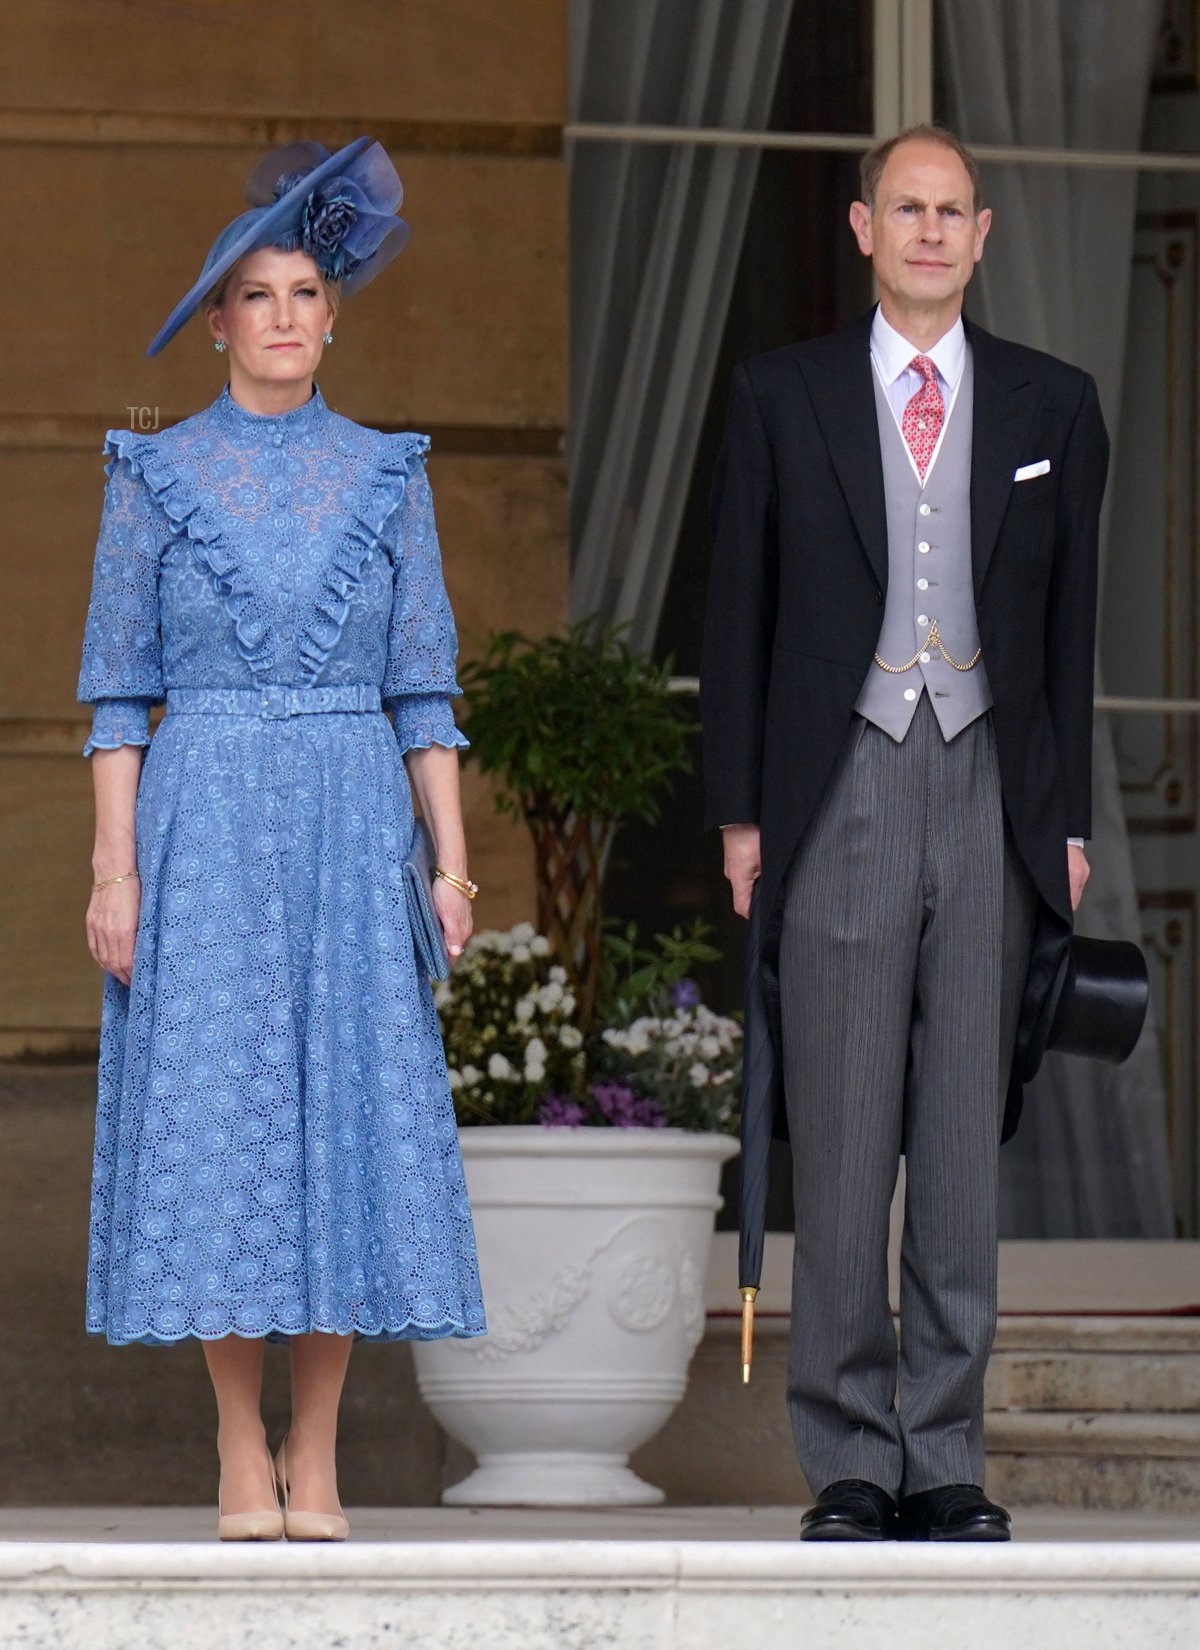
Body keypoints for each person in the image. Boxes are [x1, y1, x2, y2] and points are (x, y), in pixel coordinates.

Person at [701, 125, 1106, 1542]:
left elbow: (1070, 642)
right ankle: (851, 1457)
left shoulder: (1057, 405)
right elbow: (737, 614)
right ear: (862, 227)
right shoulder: (780, 395)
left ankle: (944, 1454)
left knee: (958, 1144)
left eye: (953, 211)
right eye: (905, 208)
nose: (930, 231)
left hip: (994, 787)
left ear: (982, 235)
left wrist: (1063, 827)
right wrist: (744, 812)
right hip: (842, 790)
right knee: (848, 1127)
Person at [78, 138, 486, 1542]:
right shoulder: (151, 473)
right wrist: (112, 867)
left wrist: (450, 860)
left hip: (348, 812)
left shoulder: (390, 475)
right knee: (219, 1119)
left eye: (306, 290)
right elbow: (117, 696)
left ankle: (318, 1454)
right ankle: (235, 1448)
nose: (285, 316)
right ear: (218, 320)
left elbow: (424, 687)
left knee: (345, 1117)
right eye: (257, 294)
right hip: (202, 822)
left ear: (332, 314)